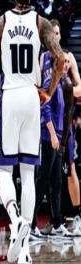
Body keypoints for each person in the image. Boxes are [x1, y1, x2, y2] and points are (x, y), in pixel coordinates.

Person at [0, 0, 65, 264]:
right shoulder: (41, 23)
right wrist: (49, 91)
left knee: (3, 169)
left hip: (9, 95)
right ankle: (26, 249)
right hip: (32, 96)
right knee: (29, 173)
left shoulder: (1, 23)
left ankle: (15, 217)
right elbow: (61, 59)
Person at [30, 51, 74, 240]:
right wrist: (52, 134)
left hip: (57, 138)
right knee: (42, 181)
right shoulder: (50, 82)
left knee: (56, 182)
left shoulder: (62, 83)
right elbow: (44, 107)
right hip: (49, 138)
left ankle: (57, 223)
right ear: (56, 63)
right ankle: (30, 224)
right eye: (64, 62)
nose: (66, 65)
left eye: (68, 62)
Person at [50, 20, 81, 234]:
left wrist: (62, 87)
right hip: (48, 123)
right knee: (49, 174)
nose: (55, 36)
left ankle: (77, 215)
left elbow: (79, 88)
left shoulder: (68, 57)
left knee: (70, 169)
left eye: (57, 33)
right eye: (52, 33)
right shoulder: (44, 59)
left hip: (65, 122)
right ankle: (56, 220)